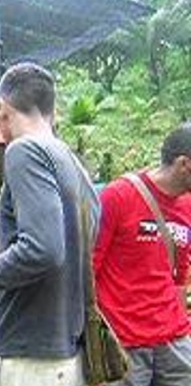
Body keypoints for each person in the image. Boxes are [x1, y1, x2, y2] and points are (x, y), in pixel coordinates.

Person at [0, 62, 99, 386]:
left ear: (2, 110)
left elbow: (44, 250)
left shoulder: (24, 151)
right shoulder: (74, 164)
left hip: (27, 362)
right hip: (61, 353)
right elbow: (61, 261)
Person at [93, 124, 191, 386]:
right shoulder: (118, 196)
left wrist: (182, 327)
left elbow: (180, 275)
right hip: (125, 342)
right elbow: (89, 268)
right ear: (184, 164)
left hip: (173, 341)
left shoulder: (187, 205)